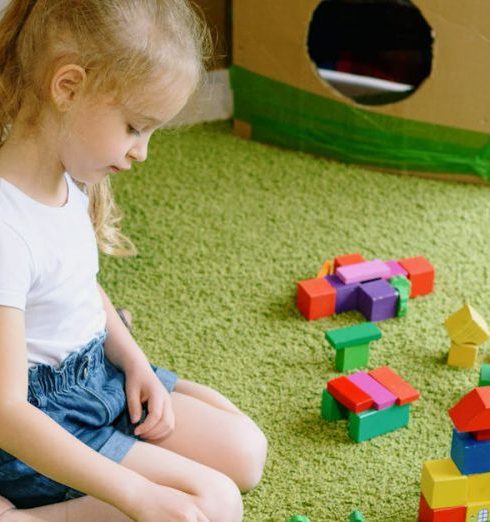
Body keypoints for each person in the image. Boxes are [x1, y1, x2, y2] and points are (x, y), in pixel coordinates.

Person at [0, 1, 268, 521]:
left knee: (246, 454)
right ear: (68, 87)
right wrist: (136, 494)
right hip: (40, 426)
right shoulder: (4, 229)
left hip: (94, 378)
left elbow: (79, 287)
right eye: (133, 127)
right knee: (217, 504)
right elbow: (7, 413)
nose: (142, 152)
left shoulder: (68, 182)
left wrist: (134, 360)